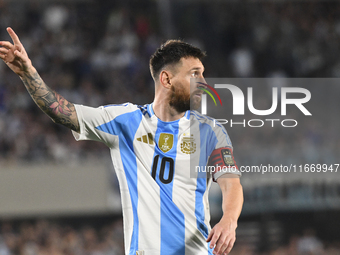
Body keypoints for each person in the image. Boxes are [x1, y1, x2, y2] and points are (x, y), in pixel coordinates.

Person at [0, 27, 243, 255]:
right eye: (194, 74)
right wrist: (28, 73)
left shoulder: (211, 131)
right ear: (167, 80)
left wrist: (229, 221)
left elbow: (231, 184)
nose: (203, 82)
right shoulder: (126, 122)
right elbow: (63, 112)